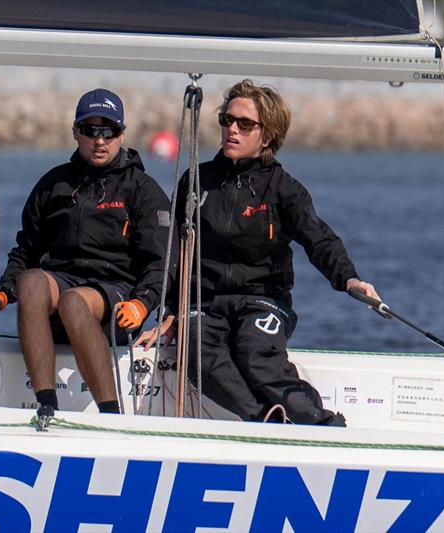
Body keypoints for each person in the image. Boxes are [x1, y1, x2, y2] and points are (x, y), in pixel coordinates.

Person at [138, 79, 380, 426]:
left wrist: (349, 279)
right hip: (205, 302)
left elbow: (319, 239)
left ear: (267, 136)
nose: (231, 130)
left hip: (263, 300)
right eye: (227, 120)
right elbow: (174, 250)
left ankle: (320, 424)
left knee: (254, 356)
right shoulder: (196, 181)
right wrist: (171, 311)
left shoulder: (284, 190)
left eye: (244, 124)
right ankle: (263, 420)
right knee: (192, 348)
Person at [0, 88, 171, 415]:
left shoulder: (142, 190)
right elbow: (25, 250)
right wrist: (3, 291)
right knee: (30, 282)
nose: (99, 140)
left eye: (109, 131)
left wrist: (144, 303)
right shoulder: (53, 184)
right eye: (90, 130)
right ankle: (46, 405)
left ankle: (111, 412)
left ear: (122, 134)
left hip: (115, 296)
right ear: (75, 132)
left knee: (75, 301)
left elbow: (161, 261)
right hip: (61, 287)